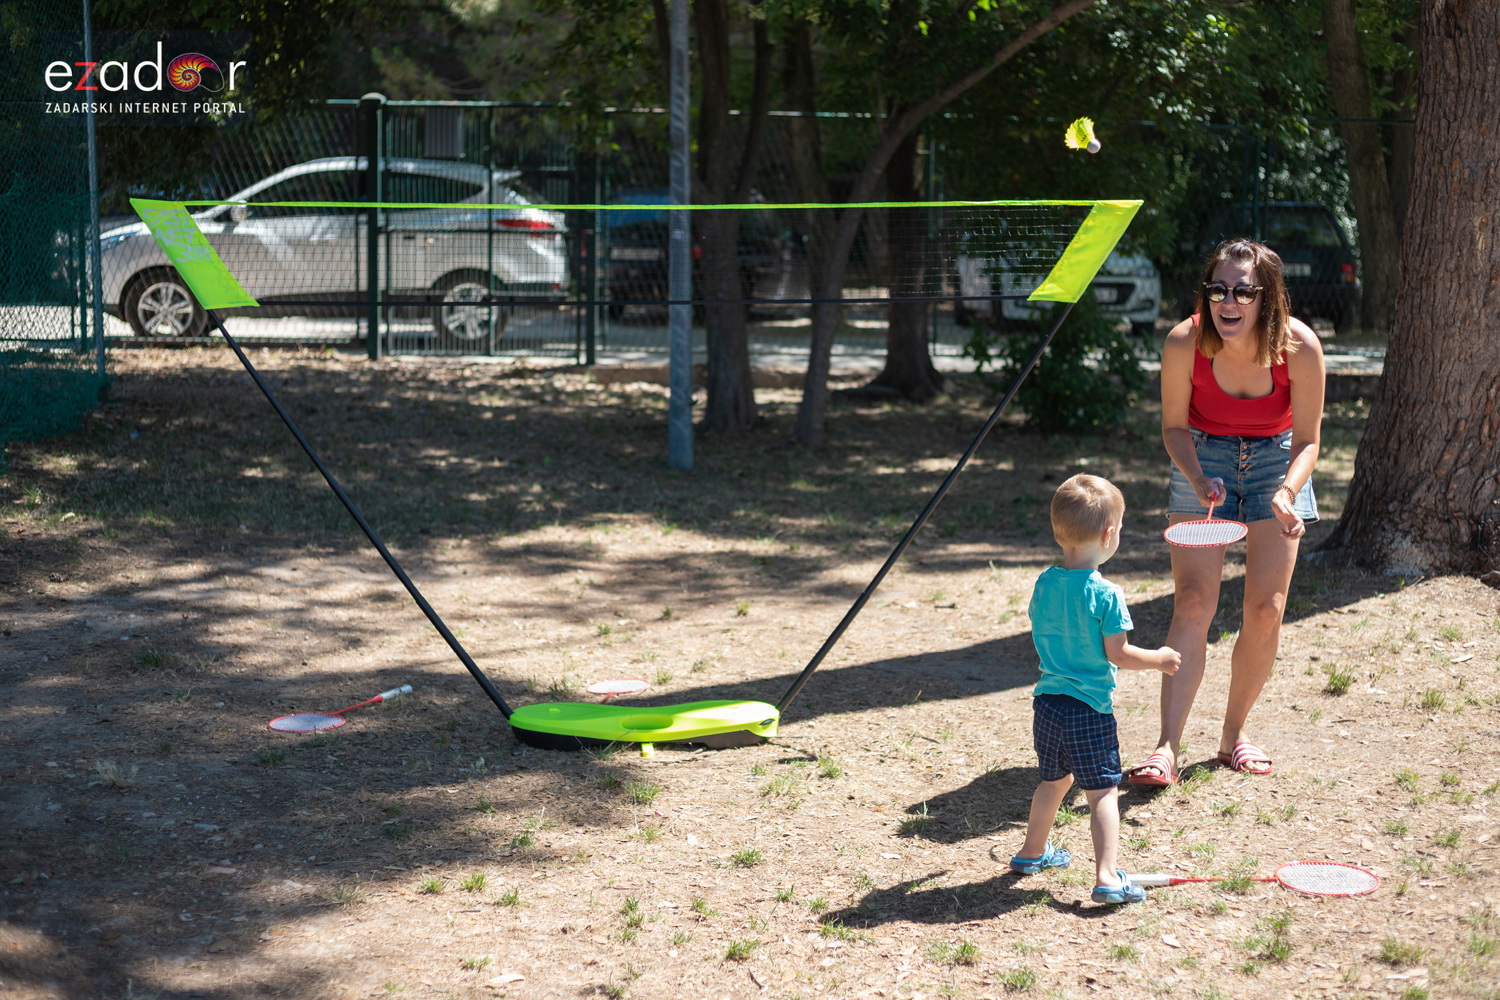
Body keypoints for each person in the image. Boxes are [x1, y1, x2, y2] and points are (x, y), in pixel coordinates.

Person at [1126, 238, 1325, 787]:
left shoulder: (1300, 346)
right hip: (1203, 454)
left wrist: (1287, 492)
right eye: (1217, 290)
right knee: (1193, 601)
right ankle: (1166, 747)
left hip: (1277, 462)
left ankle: (1233, 735)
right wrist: (1196, 477)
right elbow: (1173, 427)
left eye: (1243, 291)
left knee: (1266, 608)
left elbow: (1308, 440)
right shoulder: (1184, 342)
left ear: (1268, 297)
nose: (1228, 302)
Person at [1009, 474, 1181, 905]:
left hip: (1047, 704)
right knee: (1102, 791)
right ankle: (1107, 876)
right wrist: (1160, 658)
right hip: (1088, 710)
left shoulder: (1044, 582)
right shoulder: (1106, 594)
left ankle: (1031, 853)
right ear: (1109, 535)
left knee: (1053, 781)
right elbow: (1118, 653)